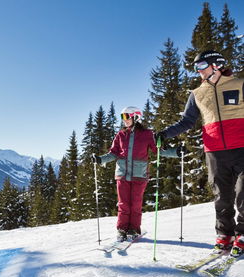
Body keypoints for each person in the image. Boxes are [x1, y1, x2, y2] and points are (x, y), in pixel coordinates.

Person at [156, 50, 244, 257]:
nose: (197, 71)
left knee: (243, 192)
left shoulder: (239, 84)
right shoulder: (197, 94)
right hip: (214, 151)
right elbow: (187, 121)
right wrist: (164, 134)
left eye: (201, 65)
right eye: (195, 67)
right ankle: (225, 235)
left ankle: (242, 235)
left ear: (216, 65)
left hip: (241, 146)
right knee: (222, 195)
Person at [93, 106, 183, 242]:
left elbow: (158, 150)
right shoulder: (121, 135)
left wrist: (176, 152)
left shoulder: (147, 134)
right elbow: (113, 153)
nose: (124, 120)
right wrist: (100, 159)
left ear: (135, 117)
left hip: (139, 174)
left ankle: (134, 229)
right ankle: (122, 229)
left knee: (135, 204)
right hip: (122, 174)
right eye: (122, 117)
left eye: (126, 116)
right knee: (123, 204)